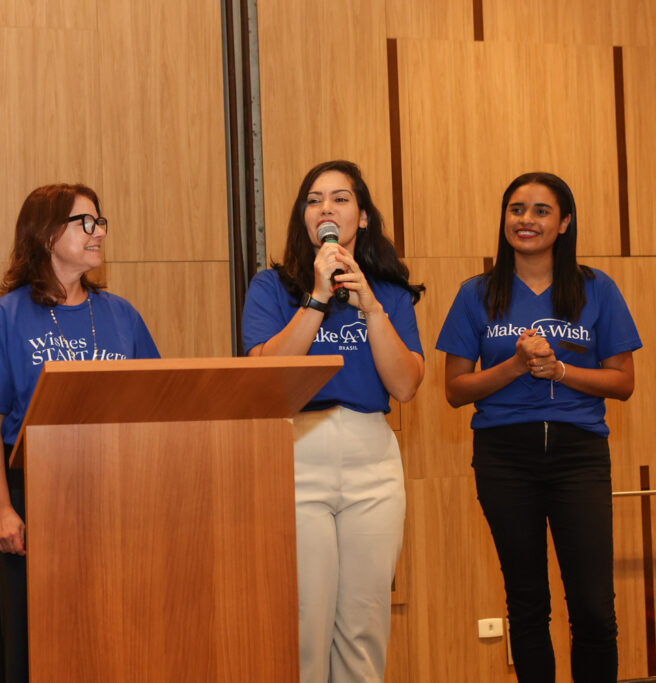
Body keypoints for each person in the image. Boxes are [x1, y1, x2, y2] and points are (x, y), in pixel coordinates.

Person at [0, 183, 160, 683]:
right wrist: (3, 510)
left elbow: (152, 402)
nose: (98, 231)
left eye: (100, 221)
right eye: (84, 222)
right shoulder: (4, 317)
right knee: (30, 642)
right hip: (28, 496)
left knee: (106, 632)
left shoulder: (121, 314)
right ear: (46, 235)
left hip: (110, 494)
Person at [436, 172, 639, 682]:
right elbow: (455, 390)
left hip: (579, 456)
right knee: (527, 605)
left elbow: (623, 382)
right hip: (504, 457)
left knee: (593, 606)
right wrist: (516, 365)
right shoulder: (476, 293)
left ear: (564, 222)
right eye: (516, 209)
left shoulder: (597, 288)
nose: (526, 220)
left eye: (541, 211)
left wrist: (560, 371)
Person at [241, 160, 424, 682]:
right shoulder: (272, 287)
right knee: (305, 622)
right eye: (314, 200)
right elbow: (267, 376)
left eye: (340, 198)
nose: (326, 208)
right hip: (299, 451)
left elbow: (406, 385)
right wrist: (318, 298)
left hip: (372, 458)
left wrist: (371, 307)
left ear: (362, 217)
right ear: (304, 218)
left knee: (364, 623)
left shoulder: (388, 292)